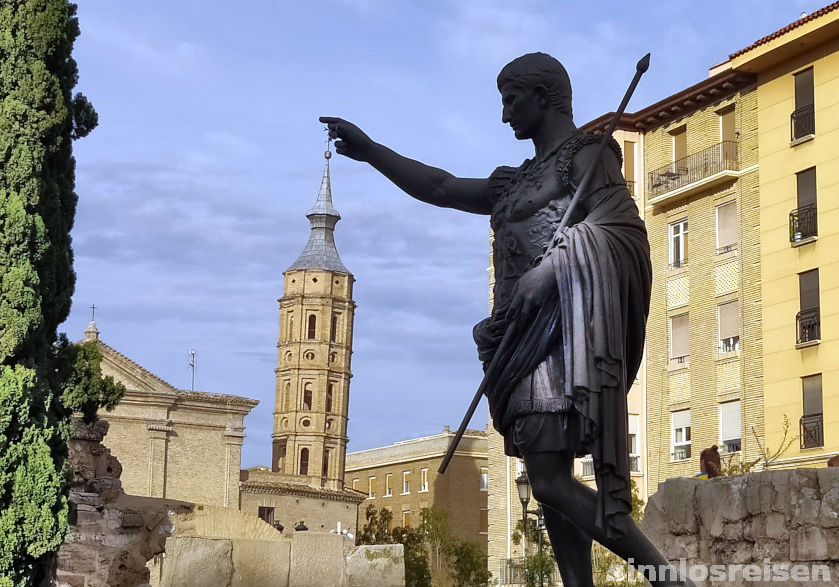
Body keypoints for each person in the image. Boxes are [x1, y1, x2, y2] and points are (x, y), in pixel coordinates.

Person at [322, 52, 694, 587]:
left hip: (562, 336)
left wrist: (554, 268)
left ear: (543, 97)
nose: (504, 115)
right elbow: (442, 188)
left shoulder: (589, 158)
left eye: (511, 100)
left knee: (546, 482)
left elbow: (621, 233)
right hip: (516, 340)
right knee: (551, 478)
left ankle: (667, 577)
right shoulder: (510, 183)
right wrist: (373, 152)